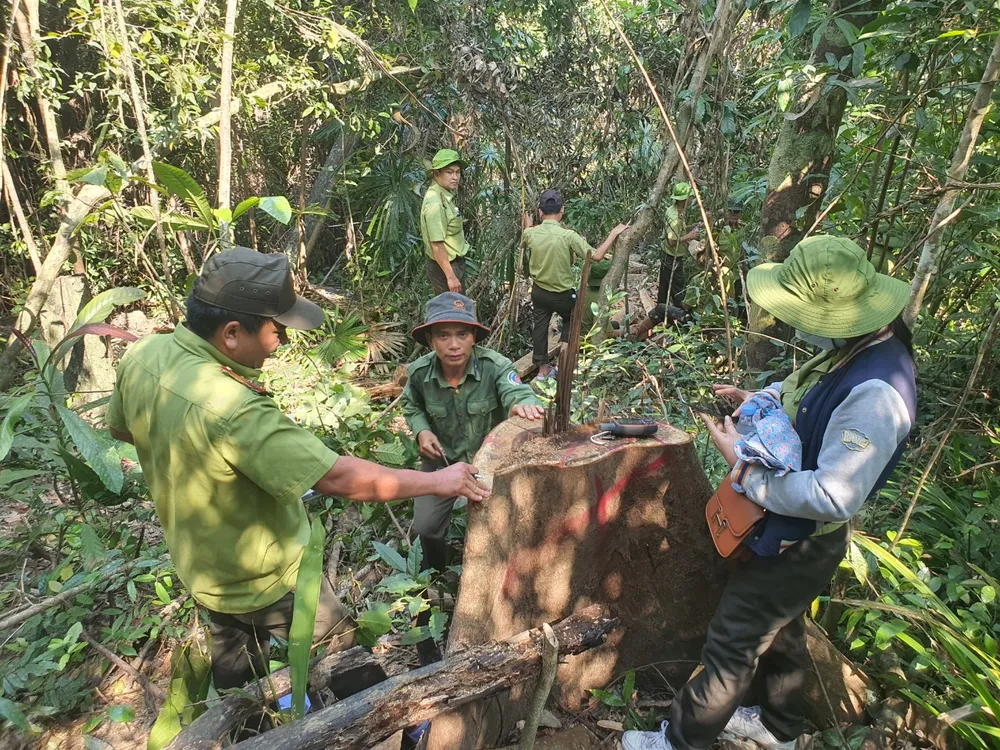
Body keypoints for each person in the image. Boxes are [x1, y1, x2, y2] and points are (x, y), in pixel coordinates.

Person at [106, 248, 489, 694]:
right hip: (271, 579)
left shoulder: (144, 355)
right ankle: (380, 722)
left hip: (203, 571)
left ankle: (245, 723)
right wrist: (438, 480)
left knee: (237, 677)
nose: (283, 340)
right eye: (277, 329)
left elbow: (123, 430)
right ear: (232, 333)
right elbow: (337, 477)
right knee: (344, 657)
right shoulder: (234, 409)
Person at [622, 235, 917, 750]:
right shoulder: (856, 348)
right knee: (781, 627)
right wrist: (760, 400)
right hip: (795, 533)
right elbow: (804, 390)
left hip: (801, 539)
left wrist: (744, 470)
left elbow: (834, 494)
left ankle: (678, 742)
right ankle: (780, 726)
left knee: (732, 641)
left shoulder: (877, 392)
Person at [403, 292, 544, 576]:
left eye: (462, 334)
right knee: (425, 528)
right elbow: (411, 405)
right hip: (443, 462)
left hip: (492, 464)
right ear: (430, 341)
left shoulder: (496, 367)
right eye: (443, 336)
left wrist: (523, 405)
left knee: (509, 526)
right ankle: (434, 578)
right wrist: (422, 431)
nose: (454, 345)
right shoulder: (419, 373)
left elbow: (517, 392)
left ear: (473, 338)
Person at [522, 189, 628, 379]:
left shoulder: (530, 233)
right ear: (562, 210)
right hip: (562, 294)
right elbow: (596, 256)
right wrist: (613, 233)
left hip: (539, 292)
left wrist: (528, 225)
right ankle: (564, 364)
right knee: (571, 320)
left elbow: (527, 237)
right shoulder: (568, 236)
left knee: (540, 326)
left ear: (540, 212)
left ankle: (542, 370)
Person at [421, 149, 470, 295]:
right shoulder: (435, 203)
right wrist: (451, 277)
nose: (455, 177)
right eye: (449, 172)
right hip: (446, 268)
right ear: (437, 173)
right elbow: (437, 245)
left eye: (457, 172)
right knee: (453, 308)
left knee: (458, 306)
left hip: (453, 265)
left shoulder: (444, 195)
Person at [658, 182, 701, 310]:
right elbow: (671, 242)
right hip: (672, 258)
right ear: (684, 200)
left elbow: (676, 232)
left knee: (664, 287)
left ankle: (660, 311)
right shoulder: (675, 218)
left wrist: (689, 228)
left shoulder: (673, 210)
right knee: (678, 289)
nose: (692, 199)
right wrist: (689, 236)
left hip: (666, 255)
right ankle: (679, 315)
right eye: (690, 197)